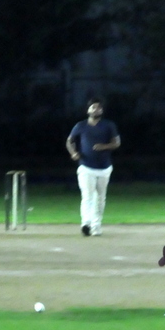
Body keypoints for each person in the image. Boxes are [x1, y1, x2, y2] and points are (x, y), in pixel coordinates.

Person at [66, 97, 121, 236]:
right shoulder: (81, 125)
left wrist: (104, 146)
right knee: (87, 196)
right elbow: (69, 141)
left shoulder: (108, 125)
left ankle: (96, 226)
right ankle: (86, 223)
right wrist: (73, 153)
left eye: (99, 107)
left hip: (104, 168)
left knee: (100, 198)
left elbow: (116, 143)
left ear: (102, 110)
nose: (96, 109)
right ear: (88, 110)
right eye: (93, 107)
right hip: (86, 167)